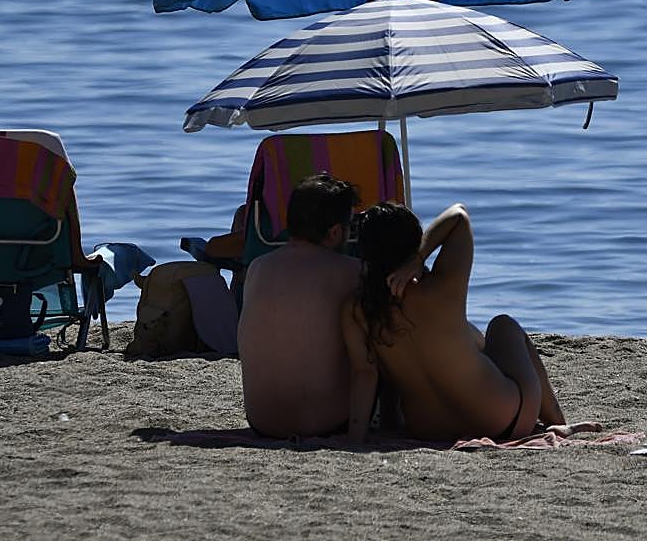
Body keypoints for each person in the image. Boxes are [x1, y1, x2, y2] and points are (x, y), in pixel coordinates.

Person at [341, 202, 566, 443]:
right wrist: (420, 257)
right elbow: (459, 216)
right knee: (502, 325)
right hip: (504, 421)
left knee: (391, 359)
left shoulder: (358, 309)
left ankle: (390, 422)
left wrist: (355, 438)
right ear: (413, 242)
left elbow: (364, 374)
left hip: (429, 432)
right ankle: (558, 422)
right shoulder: (441, 287)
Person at [237, 173, 360, 437]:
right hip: (325, 422)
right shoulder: (351, 271)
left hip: (262, 421)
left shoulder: (258, 267)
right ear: (335, 232)